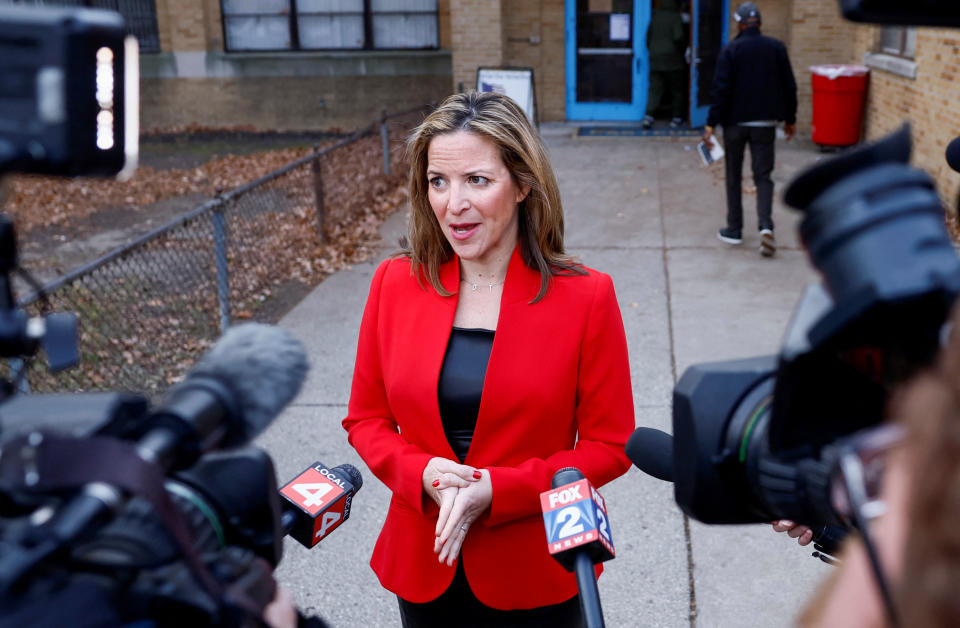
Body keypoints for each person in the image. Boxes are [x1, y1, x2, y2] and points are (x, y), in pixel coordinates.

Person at [341, 91, 635, 627]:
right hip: (425, 562)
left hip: (539, 566)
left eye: (477, 180)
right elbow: (366, 420)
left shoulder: (587, 297)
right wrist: (421, 471)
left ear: (523, 184)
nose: (454, 204)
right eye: (438, 181)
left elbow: (610, 446)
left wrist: (500, 490)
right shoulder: (395, 284)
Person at [702, 1, 797, 258]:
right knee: (763, 176)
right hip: (765, 125)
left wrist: (710, 124)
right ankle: (766, 227)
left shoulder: (731, 50)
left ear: (740, 24)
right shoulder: (776, 48)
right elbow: (789, 86)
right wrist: (790, 119)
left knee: (733, 176)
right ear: (760, 24)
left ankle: (735, 229)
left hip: (735, 124)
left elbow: (720, 91)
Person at [642, 0, 689, 130]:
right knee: (676, 90)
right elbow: (678, 37)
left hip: (655, 58)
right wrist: (684, 49)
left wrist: (653, 50)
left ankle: (648, 116)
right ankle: (676, 117)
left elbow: (648, 37)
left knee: (655, 88)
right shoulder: (675, 17)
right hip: (673, 60)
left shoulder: (655, 17)